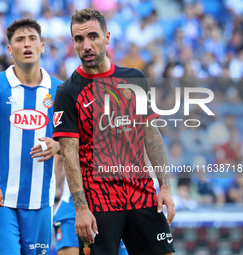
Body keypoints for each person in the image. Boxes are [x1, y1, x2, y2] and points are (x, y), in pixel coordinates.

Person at [53, 8, 175, 255]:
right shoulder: (67, 92)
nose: (86, 45)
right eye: (79, 39)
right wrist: (81, 209)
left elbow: (151, 135)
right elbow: (69, 156)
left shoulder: (135, 79)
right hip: (99, 202)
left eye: (93, 37)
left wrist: (165, 187)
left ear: (107, 37)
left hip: (142, 194)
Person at [0, 18, 62, 255]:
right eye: (20, 40)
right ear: (10, 50)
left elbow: (75, 140)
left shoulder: (60, 90)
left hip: (41, 200)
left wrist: (58, 146)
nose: (27, 44)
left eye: (32, 39)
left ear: (42, 46)